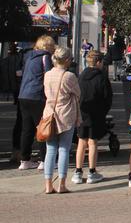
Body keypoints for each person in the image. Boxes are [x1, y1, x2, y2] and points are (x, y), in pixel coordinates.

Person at [43, 47, 80, 194]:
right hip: (65, 115)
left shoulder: (47, 74)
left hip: (49, 114)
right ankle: (62, 184)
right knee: (64, 149)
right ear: (66, 60)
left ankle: (48, 184)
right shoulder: (69, 76)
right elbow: (78, 93)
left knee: (50, 150)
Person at [73, 51, 112, 184]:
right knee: (92, 142)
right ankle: (92, 171)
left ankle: (78, 172)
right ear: (99, 62)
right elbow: (107, 97)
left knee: (81, 143)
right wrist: (104, 111)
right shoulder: (102, 77)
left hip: (82, 112)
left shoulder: (81, 76)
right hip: (96, 113)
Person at [17, 35, 56, 170]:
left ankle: (25, 159)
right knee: (42, 127)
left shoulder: (29, 57)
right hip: (37, 96)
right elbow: (49, 76)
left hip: (24, 95)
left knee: (26, 129)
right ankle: (44, 159)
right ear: (49, 46)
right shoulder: (45, 57)